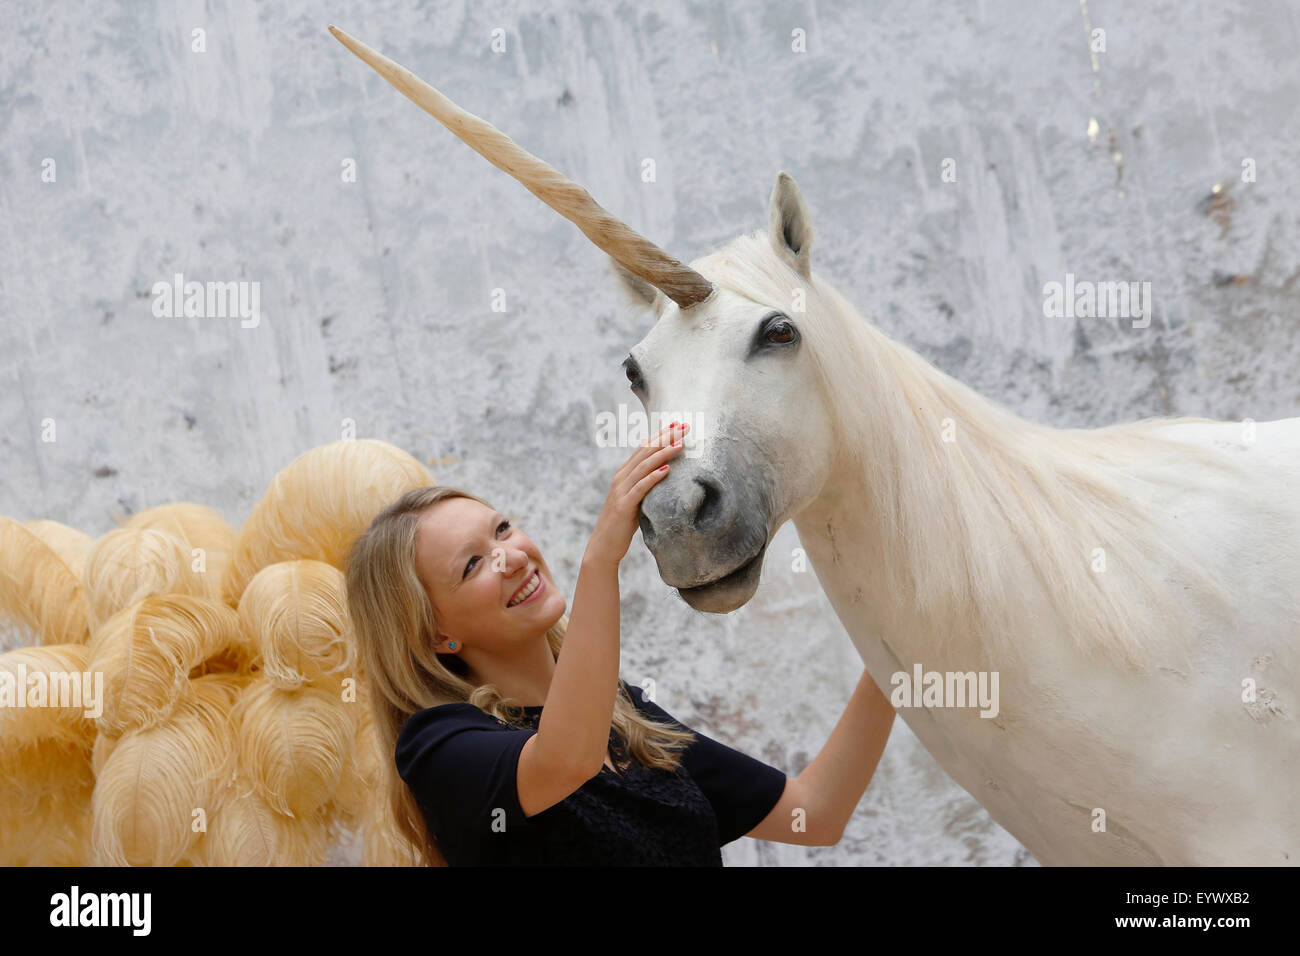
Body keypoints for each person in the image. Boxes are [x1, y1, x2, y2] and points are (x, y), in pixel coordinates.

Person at [345, 422, 896, 865]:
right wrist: (601, 557)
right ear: (437, 634)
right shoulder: (439, 745)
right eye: (472, 564)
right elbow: (565, 760)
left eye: (503, 529)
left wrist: (897, 652)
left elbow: (814, 813)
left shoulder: (624, 715)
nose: (511, 556)